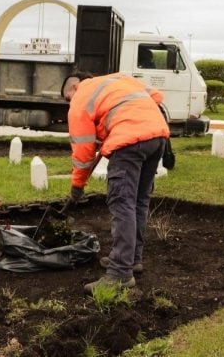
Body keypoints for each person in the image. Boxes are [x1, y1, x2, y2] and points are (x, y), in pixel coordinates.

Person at [63, 71, 170, 293]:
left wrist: (77, 186)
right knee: (139, 202)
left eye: (67, 99)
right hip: (157, 136)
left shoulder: (81, 97)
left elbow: (83, 153)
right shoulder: (119, 79)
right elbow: (157, 97)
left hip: (129, 142)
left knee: (122, 203)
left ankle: (120, 273)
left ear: (74, 87)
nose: (69, 104)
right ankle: (132, 259)